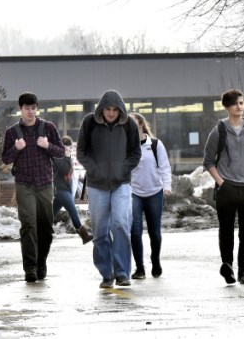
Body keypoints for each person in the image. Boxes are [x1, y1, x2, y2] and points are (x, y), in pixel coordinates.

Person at [77, 89, 142, 289]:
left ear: (120, 110)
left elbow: (135, 153)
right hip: (97, 186)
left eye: (115, 109)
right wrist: (94, 169)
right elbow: (81, 151)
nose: (111, 113)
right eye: (108, 109)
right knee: (100, 232)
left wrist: (123, 169)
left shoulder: (129, 124)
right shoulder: (89, 123)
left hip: (121, 184)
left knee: (121, 224)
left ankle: (122, 272)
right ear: (101, 109)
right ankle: (107, 273)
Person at [1, 92, 65, 282]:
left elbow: (61, 152)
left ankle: (41, 261)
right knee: (28, 225)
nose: (30, 111)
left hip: (45, 183)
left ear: (37, 108)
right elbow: (5, 158)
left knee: (45, 226)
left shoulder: (48, 128)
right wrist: (16, 149)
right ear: (20, 109)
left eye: (33, 108)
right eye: (27, 108)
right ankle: (30, 268)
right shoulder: (12, 132)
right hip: (24, 184)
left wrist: (48, 146)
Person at [202, 90, 244, 285]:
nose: (240, 106)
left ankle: (243, 270)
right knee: (226, 230)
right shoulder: (219, 130)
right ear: (227, 107)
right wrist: (222, 184)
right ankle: (227, 266)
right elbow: (208, 161)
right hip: (227, 188)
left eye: (242, 103)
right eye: (236, 103)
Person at [129, 113, 172, 280]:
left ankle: (155, 260)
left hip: (155, 192)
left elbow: (164, 167)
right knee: (135, 230)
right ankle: (139, 268)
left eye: (132, 123)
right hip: (134, 193)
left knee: (155, 232)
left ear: (140, 124)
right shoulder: (126, 146)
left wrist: (167, 187)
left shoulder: (155, 144)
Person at [52, 135, 92, 245]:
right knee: (73, 211)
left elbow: (69, 175)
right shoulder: (58, 158)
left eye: (70, 147)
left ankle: (39, 230)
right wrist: (67, 157)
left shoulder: (65, 158)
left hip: (65, 190)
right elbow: (65, 170)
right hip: (61, 190)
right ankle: (84, 236)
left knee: (51, 213)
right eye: (67, 147)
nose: (70, 149)